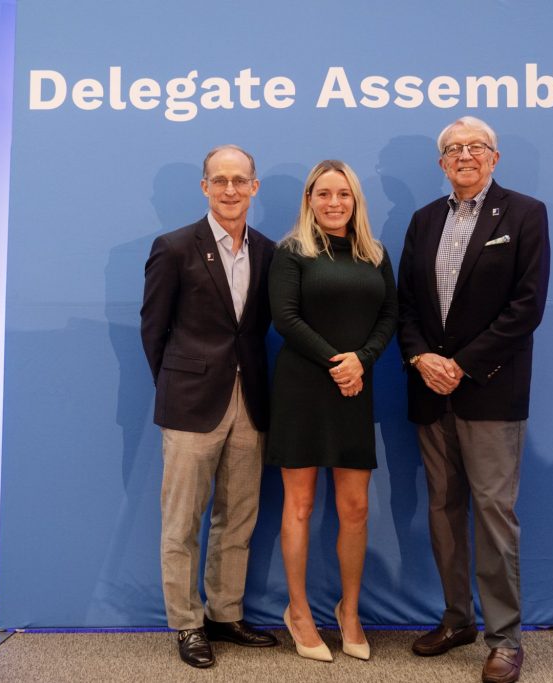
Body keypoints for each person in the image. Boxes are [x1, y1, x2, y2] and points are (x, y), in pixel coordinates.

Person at [396, 117, 550, 683]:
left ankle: (505, 639)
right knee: (442, 510)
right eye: (453, 149)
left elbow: (526, 307)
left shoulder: (525, 215)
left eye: (475, 147)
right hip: (430, 392)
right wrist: (420, 358)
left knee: (492, 515)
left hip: (489, 389)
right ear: (441, 164)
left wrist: (461, 365)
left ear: (494, 157)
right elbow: (405, 305)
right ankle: (457, 619)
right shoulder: (423, 220)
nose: (464, 155)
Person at [140, 144, 278, 668]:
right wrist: (177, 385)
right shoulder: (174, 247)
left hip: (251, 403)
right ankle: (187, 623)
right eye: (219, 180)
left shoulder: (267, 251)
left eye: (239, 180)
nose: (230, 190)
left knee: (237, 518)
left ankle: (225, 613)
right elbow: (153, 330)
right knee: (181, 522)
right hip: (191, 404)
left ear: (254, 187)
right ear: (204, 187)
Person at [266, 160, 397, 663]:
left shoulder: (375, 253)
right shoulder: (291, 252)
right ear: (309, 200)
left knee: (355, 508)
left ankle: (350, 611)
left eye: (343, 194)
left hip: (354, 387)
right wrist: (335, 362)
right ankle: (298, 612)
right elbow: (285, 318)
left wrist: (360, 362)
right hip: (303, 387)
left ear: (356, 200)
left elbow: (390, 314)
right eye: (324, 194)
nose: (334, 202)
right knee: (298, 505)